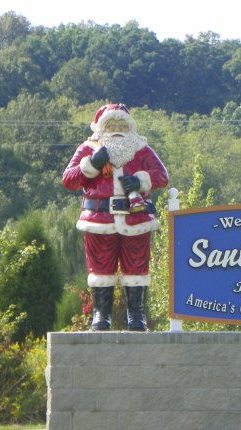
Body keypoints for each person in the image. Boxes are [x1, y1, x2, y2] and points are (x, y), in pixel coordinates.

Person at [62, 103, 169, 331]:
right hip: (99, 219)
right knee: (101, 268)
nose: (117, 130)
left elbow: (162, 176)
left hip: (135, 219)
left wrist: (140, 181)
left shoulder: (141, 150)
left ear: (130, 127)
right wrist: (92, 164)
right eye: (112, 125)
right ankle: (101, 314)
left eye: (122, 125)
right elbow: (69, 180)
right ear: (101, 127)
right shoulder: (88, 149)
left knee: (137, 267)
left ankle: (136, 315)